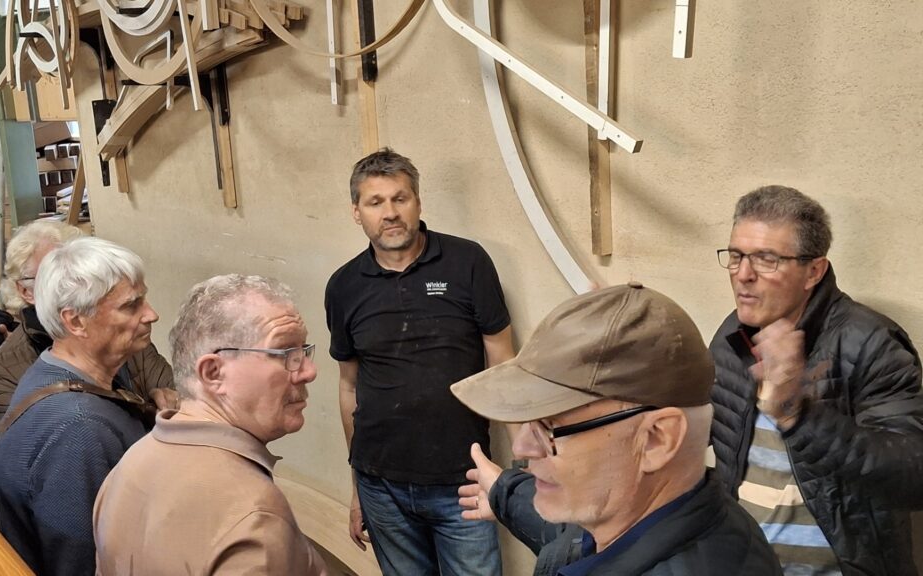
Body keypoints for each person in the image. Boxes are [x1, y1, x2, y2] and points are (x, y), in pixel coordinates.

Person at [451, 283, 783, 575]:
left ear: (656, 439)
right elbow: (572, 539)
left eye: (549, 426)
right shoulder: (636, 521)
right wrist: (502, 491)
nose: (522, 447)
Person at [711, 185, 923, 574]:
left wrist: (797, 414)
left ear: (814, 271)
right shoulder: (731, 334)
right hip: (744, 563)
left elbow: (911, 477)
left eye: (766, 259)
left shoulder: (870, 342)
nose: (743, 275)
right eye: (736, 255)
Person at [325, 148, 514, 575]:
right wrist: (357, 487)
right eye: (375, 202)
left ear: (418, 202)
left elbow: (504, 364)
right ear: (356, 212)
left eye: (400, 198)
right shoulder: (344, 286)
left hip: (463, 482)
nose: (390, 213)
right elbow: (349, 386)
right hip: (381, 488)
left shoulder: (467, 262)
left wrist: (518, 472)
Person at [94, 274, 326, 575]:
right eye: (286, 353)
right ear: (213, 373)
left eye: (304, 351)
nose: (309, 371)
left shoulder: (129, 465)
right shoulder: (254, 516)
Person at [0, 237, 159, 576]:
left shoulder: (53, 372)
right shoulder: (78, 428)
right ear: (76, 322)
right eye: (131, 305)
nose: (151, 314)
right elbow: (80, 565)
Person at [0, 220, 175, 431]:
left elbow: (175, 393)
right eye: (56, 275)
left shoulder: (124, 332)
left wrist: (162, 401)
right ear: (26, 291)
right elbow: (37, 436)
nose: (151, 315)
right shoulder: (6, 366)